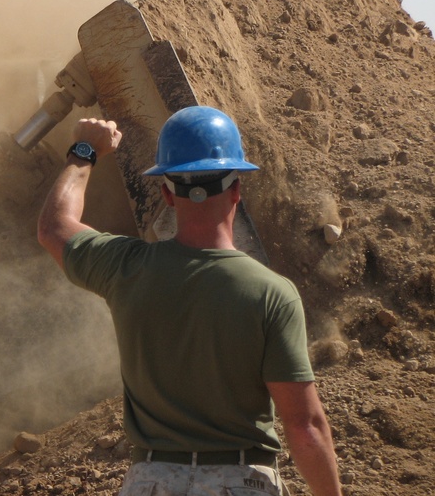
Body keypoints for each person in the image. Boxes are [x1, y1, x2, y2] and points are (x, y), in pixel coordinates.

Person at [37, 106, 342, 496]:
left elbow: (54, 227)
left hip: (150, 483)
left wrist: (84, 152)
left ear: (166, 192)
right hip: (240, 481)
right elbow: (304, 428)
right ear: (237, 189)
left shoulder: (124, 267)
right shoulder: (271, 294)